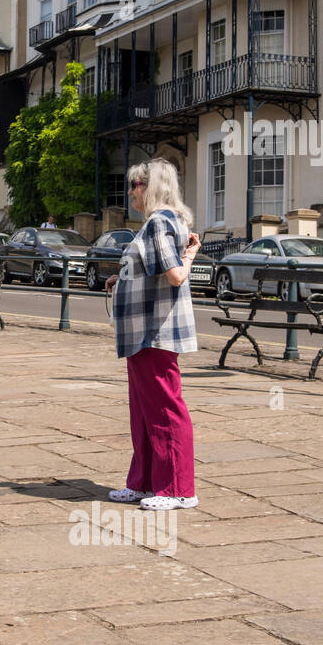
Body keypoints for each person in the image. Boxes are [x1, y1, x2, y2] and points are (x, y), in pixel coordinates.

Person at [104, 158, 201, 511]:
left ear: (152, 186)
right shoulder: (156, 224)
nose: (130, 191)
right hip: (142, 333)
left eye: (135, 185)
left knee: (164, 409)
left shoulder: (159, 222)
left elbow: (174, 276)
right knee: (144, 411)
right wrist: (121, 278)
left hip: (155, 332)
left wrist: (190, 255)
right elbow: (151, 270)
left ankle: (178, 488)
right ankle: (144, 482)